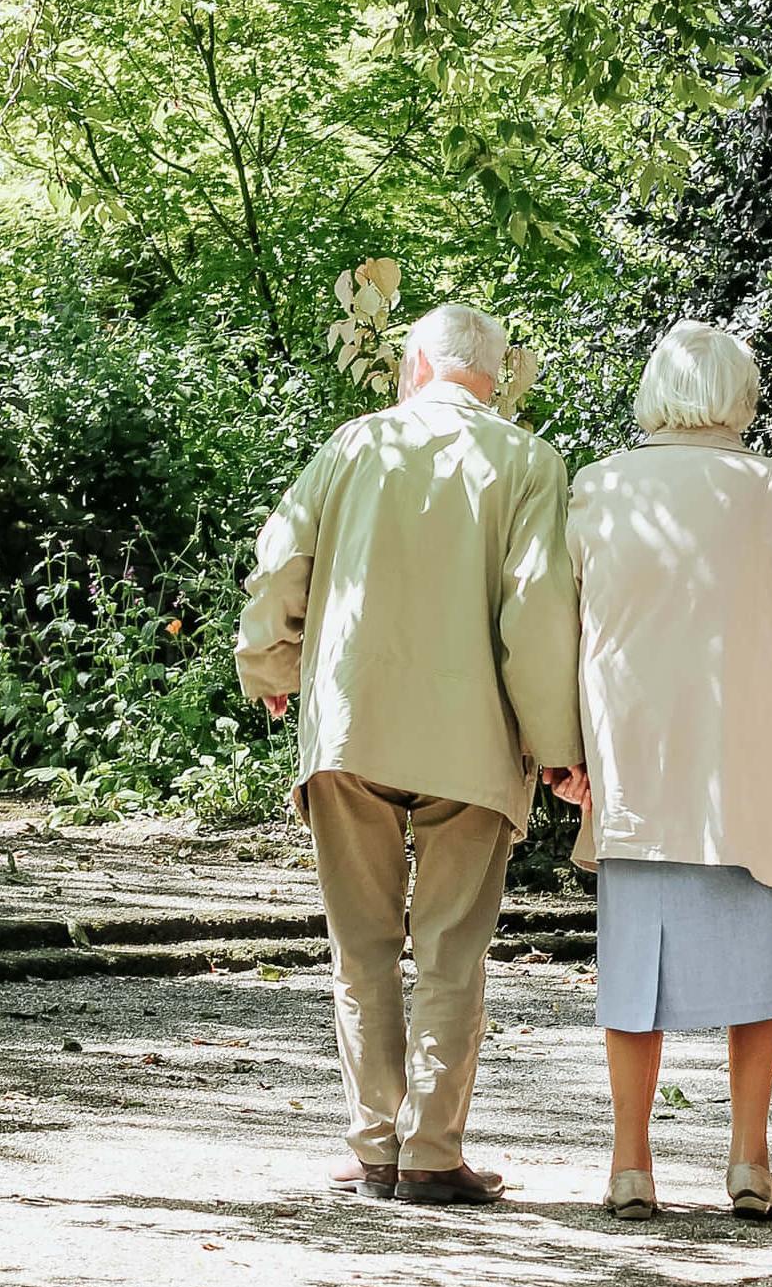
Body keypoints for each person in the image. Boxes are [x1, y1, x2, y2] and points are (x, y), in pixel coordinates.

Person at [235, 303, 583, 1205]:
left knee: (361, 944)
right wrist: (556, 746)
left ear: (415, 366)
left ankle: (373, 1145)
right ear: (495, 377)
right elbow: (537, 611)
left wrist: (269, 661)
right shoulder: (529, 462)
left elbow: (282, 563)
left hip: (353, 723)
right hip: (473, 739)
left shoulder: (352, 446)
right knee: (451, 950)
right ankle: (431, 1153)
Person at [557, 319, 772, 1223]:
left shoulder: (599, 489)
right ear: (742, 396)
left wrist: (563, 753)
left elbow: (559, 634)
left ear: (655, 391)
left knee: (631, 971)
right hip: (752, 768)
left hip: (638, 765)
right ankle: (748, 1159)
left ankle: (630, 1163)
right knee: (755, 969)